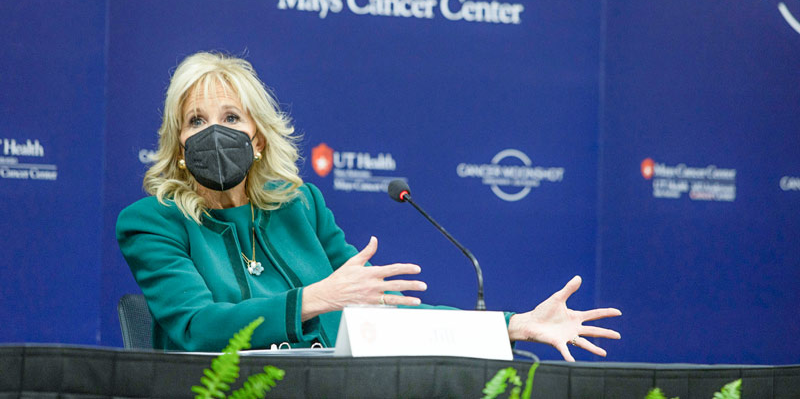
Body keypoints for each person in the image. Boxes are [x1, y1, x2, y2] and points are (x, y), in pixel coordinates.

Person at [117, 51, 621, 359]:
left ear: (259, 138)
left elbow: (387, 312)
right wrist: (316, 298)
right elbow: (197, 329)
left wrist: (512, 325)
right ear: (178, 146)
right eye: (196, 121)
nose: (214, 132)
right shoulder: (153, 223)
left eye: (231, 117)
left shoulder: (300, 207)